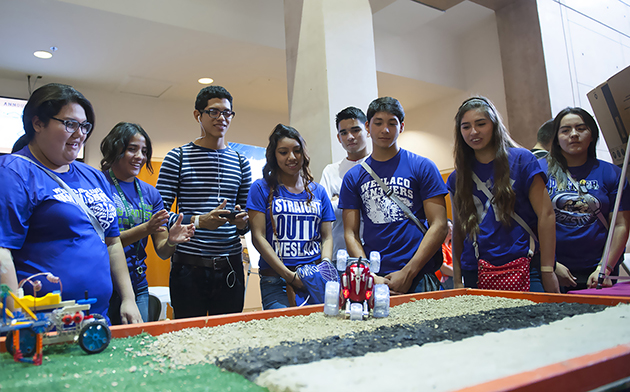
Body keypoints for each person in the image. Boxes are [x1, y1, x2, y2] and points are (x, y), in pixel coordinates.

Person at [0, 83, 142, 323]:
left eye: (84, 126)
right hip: (43, 320)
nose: (80, 134)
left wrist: (128, 298)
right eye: (70, 124)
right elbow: (3, 250)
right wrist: (16, 318)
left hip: (98, 316)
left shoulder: (93, 176)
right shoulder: (15, 172)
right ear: (38, 123)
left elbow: (112, 241)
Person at [156, 85, 251, 319]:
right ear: (198, 115)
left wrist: (241, 222)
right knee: (187, 338)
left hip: (230, 266)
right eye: (214, 112)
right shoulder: (177, 157)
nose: (222, 118)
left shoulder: (241, 162)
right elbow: (159, 215)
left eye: (227, 113)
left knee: (228, 338)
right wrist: (199, 222)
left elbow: (247, 219)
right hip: (189, 267)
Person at [447, 96, 559, 293]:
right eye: (466, 127)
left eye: (481, 124)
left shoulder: (522, 160)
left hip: (525, 265)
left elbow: (546, 215)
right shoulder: (458, 177)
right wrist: (457, 280)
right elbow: (458, 230)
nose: (473, 132)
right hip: (476, 270)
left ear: (494, 125)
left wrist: (548, 270)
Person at [339, 97, 448, 295]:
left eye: (392, 123)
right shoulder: (353, 176)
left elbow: (439, 225)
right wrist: (369, 274)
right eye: (378, 123)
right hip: (376, 277)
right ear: (368, 126)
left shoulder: (422, 166)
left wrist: (408, 272)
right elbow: (350, 233)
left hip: (419, 275)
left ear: (402, 126)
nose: (385, 130)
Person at [100, 122, 195, 323]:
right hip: (103, 284)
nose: (140, 157)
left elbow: (161, 251)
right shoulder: (98, 185)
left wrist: (172, 241)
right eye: (132, 149)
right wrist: (146, 228)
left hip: (139, 284)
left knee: (138, 344)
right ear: (115, 149)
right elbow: (102, 243)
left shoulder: (150, 193)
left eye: (144, 151)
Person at [539, 107, 630, 291]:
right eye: (565, 130)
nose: (574, 134)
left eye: (581, 128)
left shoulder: (612, 173)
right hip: (553, 271)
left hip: (598, 272)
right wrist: (551, 266)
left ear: (592, 135)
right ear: (556, 138)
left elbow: (621, 225)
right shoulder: (539, 171)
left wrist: (605, 268)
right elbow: (530, 224)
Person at [247, 124, 335, 309]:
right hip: (276, 279)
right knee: (284, 334)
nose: (292, 157)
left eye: (297, 151)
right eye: (283, 152)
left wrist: (325, 267)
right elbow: (258, 237)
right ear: (274, 155)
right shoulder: (261, 188)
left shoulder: (318, 191)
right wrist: (290, 276)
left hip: (314, 277)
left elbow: (326, 236)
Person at [319, 107, 370, 266]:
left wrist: (341, 199)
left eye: (356, 130)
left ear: (367, 129)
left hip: (375, 253)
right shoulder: (331, 171)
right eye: (344, 133)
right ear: (338, 137)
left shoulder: (379, 167)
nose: (350, 137)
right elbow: (322, 212)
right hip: (339, 256)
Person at [435, 219, 454, 289]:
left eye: (452, 227)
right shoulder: (439, 246)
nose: (451, 230)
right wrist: (460, 274)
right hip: (444, 280)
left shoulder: (452, 245)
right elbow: (443, 267)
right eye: (448, 228)